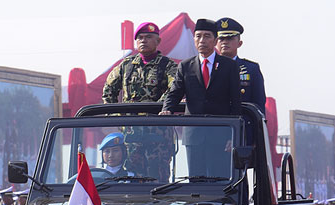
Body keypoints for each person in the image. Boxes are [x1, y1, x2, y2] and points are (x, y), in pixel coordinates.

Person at [160, 18, 241, 177]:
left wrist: (234, 135)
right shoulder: (185, 65)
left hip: (221, 135)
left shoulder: (229, 66)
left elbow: (236, 102)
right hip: (194, 136)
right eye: (198, 36)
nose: (202, 40)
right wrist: (167, 109)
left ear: (215, 40)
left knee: (219, 181)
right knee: (196, 184)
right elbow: (175, 92)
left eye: (207, 36)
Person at [103, 22, 177, 182]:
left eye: (148, 37)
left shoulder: (168, 66)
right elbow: (108, 90)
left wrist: (161, 108)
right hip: (131, 137)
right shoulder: (126, 66)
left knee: (158, 182)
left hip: (158, 137)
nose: (143, 40)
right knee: (132, 181)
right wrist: (118, 118)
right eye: (140, 38)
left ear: (158, 41)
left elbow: (175, 89)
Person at [216, 17, 266, 145]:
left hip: (243, 131)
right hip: (213, 130)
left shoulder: (251, 69)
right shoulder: (207, 68)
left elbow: (259, 105)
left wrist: (255, 138)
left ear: (239, 43)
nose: (225, 42)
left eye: (230, 38)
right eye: (221, 39)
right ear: (216, 42)